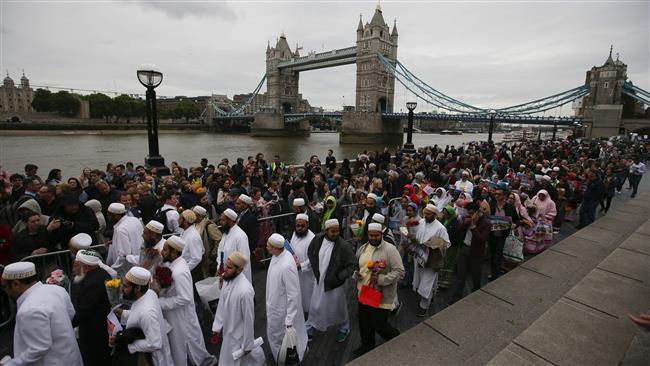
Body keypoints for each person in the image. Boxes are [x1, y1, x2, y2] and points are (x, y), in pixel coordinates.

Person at [1, 261, 83, 365]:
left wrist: (11, 364)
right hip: (71, 357)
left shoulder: (29, 310)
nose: (5, 291)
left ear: (16, 284)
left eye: (4, 287)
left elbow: (38, 349)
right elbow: (71, 314)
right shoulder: (57, 290)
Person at [158, 236, 216, 366]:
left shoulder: (179, 272)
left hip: (182, 317)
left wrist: (161, 303)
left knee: (188, 344)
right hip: (176, 315)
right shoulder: (175, 265)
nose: (162, 252)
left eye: (165, 249)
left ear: (174, 252)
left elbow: (185, 298)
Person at [353, 223, 404, 356]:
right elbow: (359, 266)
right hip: (364, 292)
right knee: (364, 322)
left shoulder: (390, 250)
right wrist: (356, 274)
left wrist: (381, 280)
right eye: (371, 235)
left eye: (377, 235)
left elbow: (399, 271)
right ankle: (367, 345)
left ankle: (396, 338)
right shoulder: (363, 248)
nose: (374, 238)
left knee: (379, 324)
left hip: (381, 294)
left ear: (382, 234)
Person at [306, 219, 356, 343]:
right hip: (319, 281)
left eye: (337, 231)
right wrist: (316, 270)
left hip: (335, 285)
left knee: (337, 308)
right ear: (326, 231)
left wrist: (339, 277)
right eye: (332, 231)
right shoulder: (318, 239)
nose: (335, 234)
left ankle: (344, 328)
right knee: (315, 306)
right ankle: (310, 328)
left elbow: (353, 265)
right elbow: (310, 252)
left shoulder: (344, 246)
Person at [212, 252, 265, 366]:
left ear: (240, 270)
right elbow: (222, 304)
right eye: (226, 265)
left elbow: (248, 319)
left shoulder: (245, 291)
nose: (225, 269)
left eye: (229, 267)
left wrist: (247, 345)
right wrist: (217, 327)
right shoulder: (227, 279)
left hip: (239, 338)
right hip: (227, 333)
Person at [112, 266, 173, 366]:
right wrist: (123, 313)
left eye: (126, 286)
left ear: (138, 288)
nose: (122, 289)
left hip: (151, 359)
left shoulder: (147, 313)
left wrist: (131, 346)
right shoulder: (148, 293)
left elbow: (155, 343)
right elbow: (137, 314)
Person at [265, 233, 308, 363]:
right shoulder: (277, 255)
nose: (266, 247)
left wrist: (289, 318)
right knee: (275, 335)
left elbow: (293, 294)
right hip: (275, 304)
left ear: (276, 248)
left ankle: (285, 359)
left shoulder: (287, 265)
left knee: (281, 337)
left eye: (269, 246)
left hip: (282, 310)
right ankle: (278, 356)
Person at [71, 249, 112, 366]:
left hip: (95, 332)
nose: (75, 269)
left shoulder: (92, 283)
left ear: (86, 267)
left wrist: (68, 323)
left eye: (77, 265)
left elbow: (84, 312)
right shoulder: (102, 273)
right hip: (103, 327)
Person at [412, 204, 450, 317]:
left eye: (428, 214)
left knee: (426, 282)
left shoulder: (440, 228)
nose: (426, 216)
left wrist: (434, 246)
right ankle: (431, 296)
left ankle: (423, 306)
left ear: (435, 215)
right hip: (419, 256)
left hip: (432, 259)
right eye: (425, 213)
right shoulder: (422, 222)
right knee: (421, 280)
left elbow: (447, 243)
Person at [452, 202, 490, 302]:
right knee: (461, 274)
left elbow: (482, 240)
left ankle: (476, 294)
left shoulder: (486, 223)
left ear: (478, 212)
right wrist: (464, 224)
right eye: (468, 213)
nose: (470, 215)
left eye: (472, 213)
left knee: (475, 275)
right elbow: (458, 230)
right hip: (464, 248)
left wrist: (473, 227)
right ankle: (457, 296)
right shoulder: (467, 218)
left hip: (476, 252)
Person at [488, 187, 520, 280]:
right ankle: (493, 271)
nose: (497, 196)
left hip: (503, 236)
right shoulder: (491, 205)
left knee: (498, 255)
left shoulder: (510, 207)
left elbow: (517, 220)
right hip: (492, 235)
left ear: (504, 196)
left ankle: (495, 275)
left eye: (499, 194)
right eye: (496, 194)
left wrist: (515, 225)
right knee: (492, 255)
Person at [106, 202, 143, 278]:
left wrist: (113, 268)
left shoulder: (121, 229)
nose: (109, 217)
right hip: (139, 260)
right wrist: (115, 241)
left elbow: (124, 255)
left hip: (127, 269)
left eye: (110, 214)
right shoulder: (134, 220)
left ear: (116, 215)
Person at [216, 208, 252, 284]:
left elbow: (244, 260)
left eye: (223, 220)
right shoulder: (226, 233)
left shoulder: (240, 236)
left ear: (230, 221)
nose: (220, 222)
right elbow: (220, 251)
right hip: (226, 274)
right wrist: (220, 267)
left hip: (236, 277)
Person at [290, 213, 316, 312]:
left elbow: (314, 258)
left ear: (307, 225)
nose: (300, 228)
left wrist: (301, 266)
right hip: (295, 272)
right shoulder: (294, 234)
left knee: (308, 297)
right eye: (298, 226)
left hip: (307, 274)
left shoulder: (312, 238)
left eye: (302, 226)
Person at [193, 205, 222, 279]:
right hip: (199, 257)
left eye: (194, 215)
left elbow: (219, 239)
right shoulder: (195, 224)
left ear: (199, 216)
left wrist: (213, 254)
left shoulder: (209, 225)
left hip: (207, 258)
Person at [178, 209, 204, 279]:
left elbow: (196, 258)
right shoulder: (184, 231)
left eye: (180, 218)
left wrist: (184, 270)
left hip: (192, 271)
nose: (178, 219)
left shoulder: (193, 236)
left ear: (185, 222)